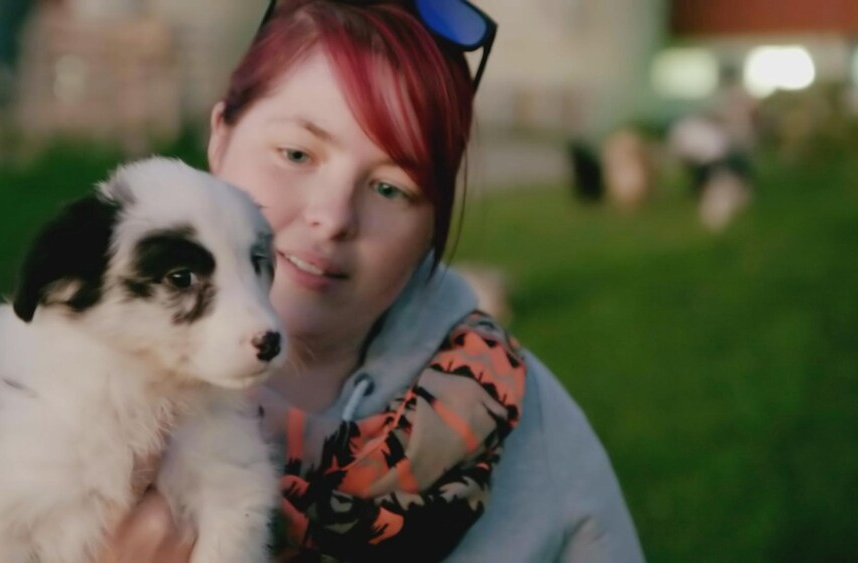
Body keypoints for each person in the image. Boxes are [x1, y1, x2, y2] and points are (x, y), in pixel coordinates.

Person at [99, 1, 643, 561]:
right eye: (296, 153)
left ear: (433, 220)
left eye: (390, 188)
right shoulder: (54, 383)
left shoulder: (531, 421)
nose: (334, 218)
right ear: (221, 138)